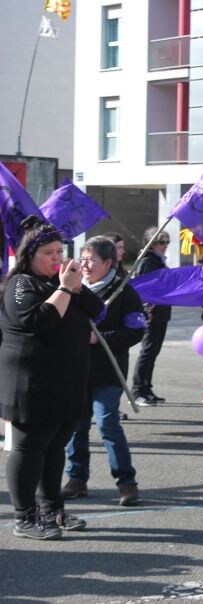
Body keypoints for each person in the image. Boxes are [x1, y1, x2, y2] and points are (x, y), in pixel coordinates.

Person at [0, 217, 103, 540]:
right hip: (32, 384)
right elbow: (39, 322)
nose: (57, 258)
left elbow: (96, 307)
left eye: (60, 251)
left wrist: (75, 287)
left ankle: (51, 508)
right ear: (30, 255)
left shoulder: (64, 282)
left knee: (56, 446)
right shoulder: (21, 285)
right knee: (29, 449)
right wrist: (63, 288)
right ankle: (24, 516)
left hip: (67, 382)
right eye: (48, 252)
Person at [61, 236, 145, 507]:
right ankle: (76, 478)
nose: (84, 266)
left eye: (91, 260)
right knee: (76, 426)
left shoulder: (125, 292)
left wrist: (102, 338)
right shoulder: (71, 288)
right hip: (75, 367)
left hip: (108, 370)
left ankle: (126, 482)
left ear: (108, 263)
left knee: (108, 423)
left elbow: (136, 330)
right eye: (82, 259)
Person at [132, 227, 172, 406]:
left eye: (166, 242)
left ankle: (147, 388)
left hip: (161, 312)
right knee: (147, 352)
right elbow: (147, 287)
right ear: (151, 244)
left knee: (153, 352)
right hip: (152, 314)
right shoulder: (148, 261)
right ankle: (138, 390)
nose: (164, 246)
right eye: (161, 242)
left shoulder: (158, 261)